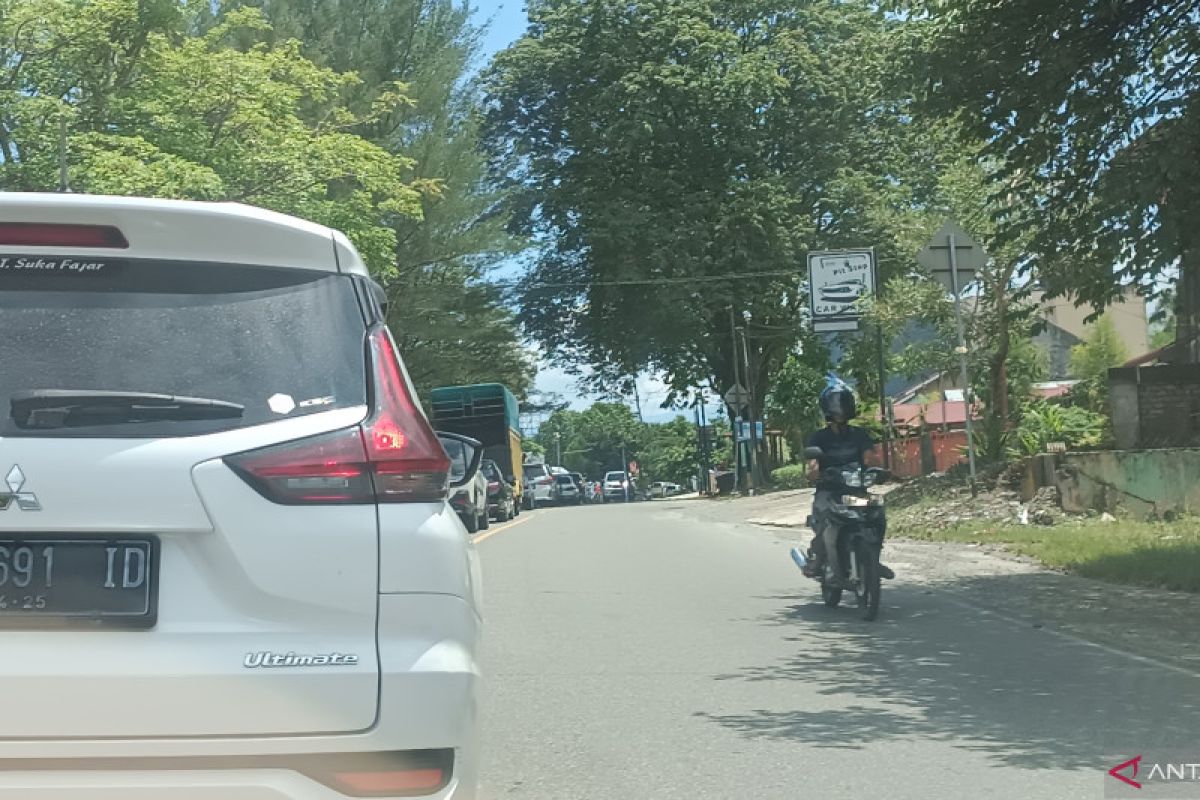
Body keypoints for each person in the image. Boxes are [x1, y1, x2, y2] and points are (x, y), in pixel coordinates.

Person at [803, 375, 894, 587]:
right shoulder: (819, 438)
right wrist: (816, 473)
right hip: (829, 491)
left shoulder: (859, 435)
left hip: (857, 489)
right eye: (836, 402)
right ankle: (818, 560)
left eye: (843, 401)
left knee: (877, 515)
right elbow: (813, 466)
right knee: (826, 522)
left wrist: (879, 471)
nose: (840, 407)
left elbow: (869, 459)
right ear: (827, 406)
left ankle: (873, 559)